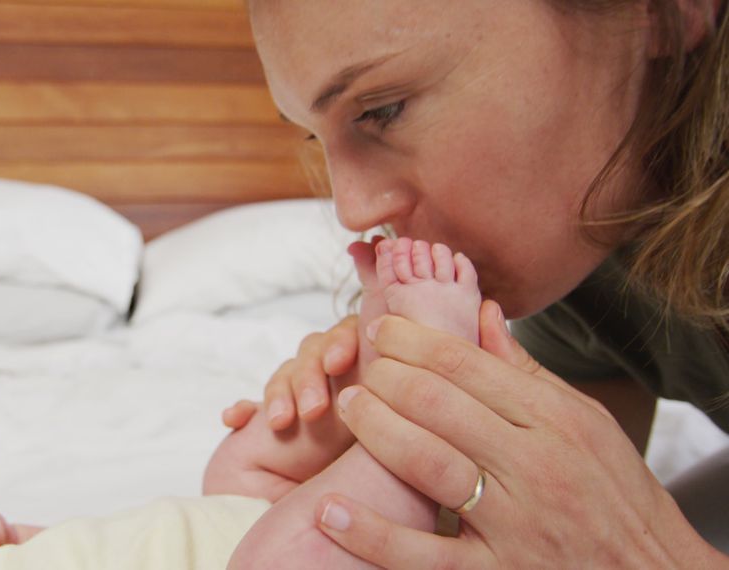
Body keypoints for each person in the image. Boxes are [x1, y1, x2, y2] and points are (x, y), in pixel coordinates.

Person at [224, 0, 729, 567]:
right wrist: (380, 476)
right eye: (317, 141)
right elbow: (555, 525)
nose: (354, 209)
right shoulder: (585, 271)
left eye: (384, 110)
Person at [0, 238, 481, 570]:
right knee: (297, 546)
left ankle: (385, 363)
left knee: (235, 465)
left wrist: (12, 544)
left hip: (224, 533)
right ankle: (415, 412)